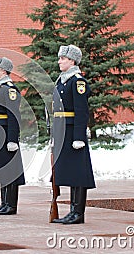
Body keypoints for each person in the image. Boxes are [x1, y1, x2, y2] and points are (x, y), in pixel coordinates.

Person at [51, 45, 96, 225]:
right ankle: (71, 211)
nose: (59, 61)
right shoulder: (61, 81)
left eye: (63, 58)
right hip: (63, 131)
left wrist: (79, 136)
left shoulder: (77, 82)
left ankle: (78, 212)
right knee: (69, 172)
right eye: (60, 58)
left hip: (73, 133)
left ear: (72, 61)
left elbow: (81, 111)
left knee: (78, 173)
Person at [0, 57, 25, 215]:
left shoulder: (9, 89)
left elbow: (14, 115)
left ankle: (11, 204)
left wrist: (12, 139)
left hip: (5, 131)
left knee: (10, 169)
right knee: (2, 167)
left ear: (3, 70)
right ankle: (3, 203)